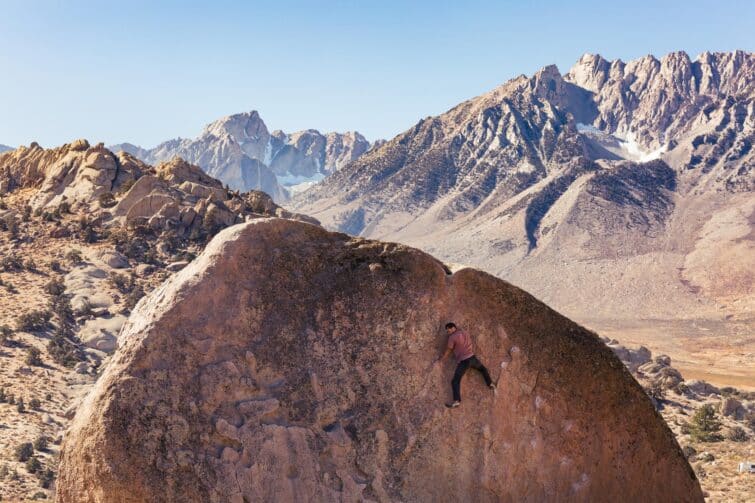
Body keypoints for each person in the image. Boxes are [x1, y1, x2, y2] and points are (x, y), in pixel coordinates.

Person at [436, 322, 495, 408]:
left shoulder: (452, 337)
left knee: (455, 381)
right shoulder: (465, 332)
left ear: (453, 328)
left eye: (448, 330)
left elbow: (449, 350)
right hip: (472, 358)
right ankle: (490, 384)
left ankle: (457, 401)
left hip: (464, 361)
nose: (447, 332)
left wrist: (442, 359)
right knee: (482, 369)